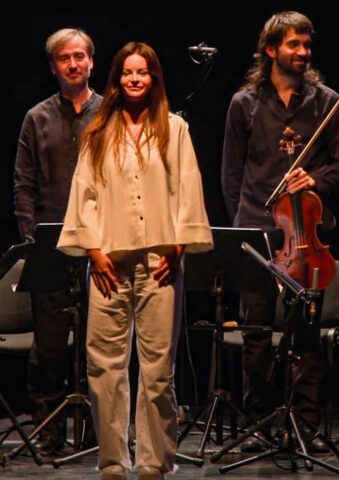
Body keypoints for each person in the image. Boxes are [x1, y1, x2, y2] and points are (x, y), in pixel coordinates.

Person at [57, 41, 213, 480]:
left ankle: (153, 461)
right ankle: (112, 461)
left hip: (159, 262)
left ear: (154, 78)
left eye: (142, 72)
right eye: (128, 72)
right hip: (108, 262)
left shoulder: (175, 128)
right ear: (117, 79)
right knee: (105, 367)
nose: (135, 79)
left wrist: (178, 247)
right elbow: (83, 193)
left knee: (158, 370)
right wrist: (92, 251)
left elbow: (188, 188)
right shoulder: (99, 131)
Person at [221, 11, 339, 450]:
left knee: (306, 335)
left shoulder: (326, 100)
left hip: (305, 235)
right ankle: (259, 423)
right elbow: (231, 174)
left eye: (306, 45)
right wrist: (241, 229)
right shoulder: (245, 102)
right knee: (256, 333)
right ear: (271, 50)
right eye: (294, 45)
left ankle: (307, 424)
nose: (303, 52)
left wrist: (315, 179)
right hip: (258, 232)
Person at [13, 28, 102, 453]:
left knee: (97, 345)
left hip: (100, 245)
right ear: (53, 67)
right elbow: (23, 185)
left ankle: (94, 430)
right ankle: (48, 429)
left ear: (91, 62)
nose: (73, 64)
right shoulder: (37, 116)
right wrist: (32, 240)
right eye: (64, 58)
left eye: (80, 56)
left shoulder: (109, 113)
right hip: (50, 243)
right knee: (48, 346)